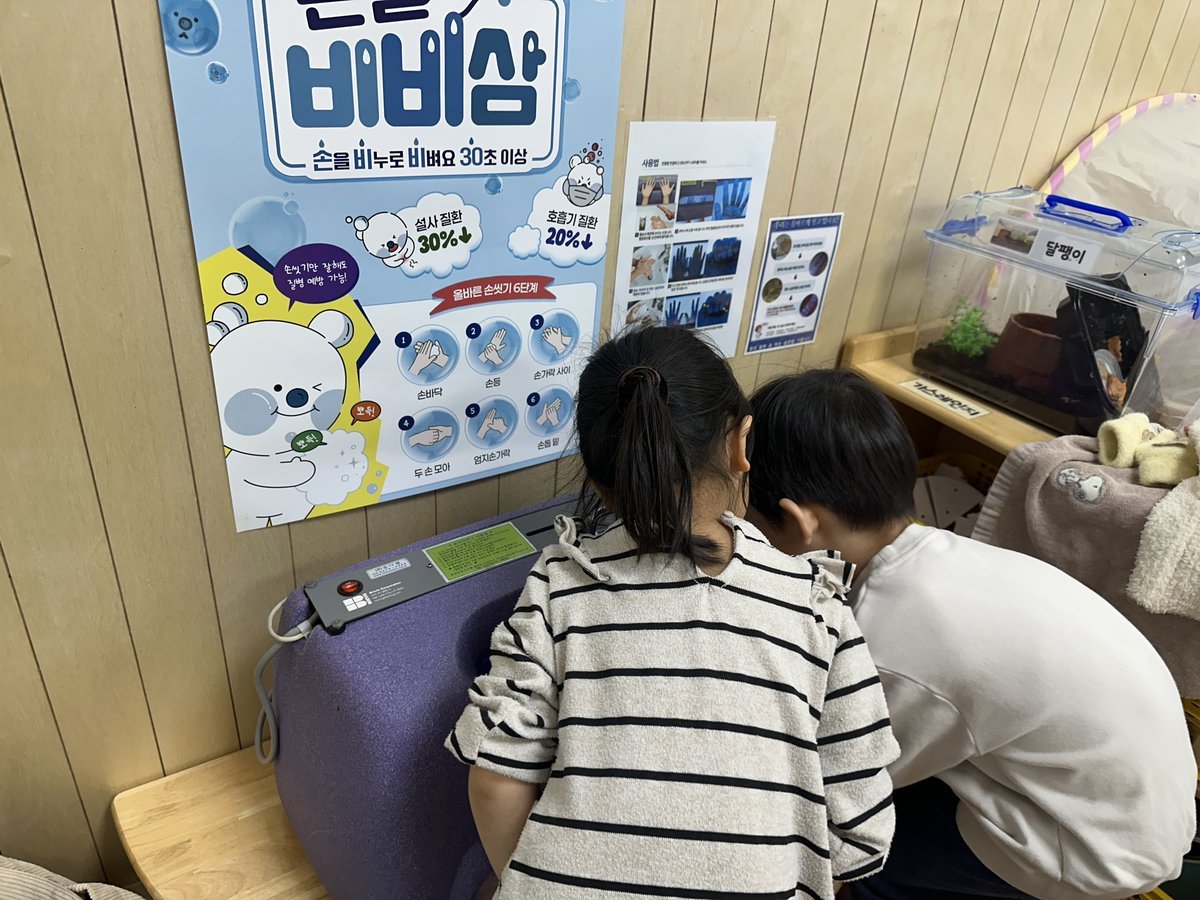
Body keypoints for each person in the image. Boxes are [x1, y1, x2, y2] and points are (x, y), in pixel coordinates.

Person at [446, 328, 900, 899]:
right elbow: (859, 830)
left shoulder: (562, 583)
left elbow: (495, 777)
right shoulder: (818, 605)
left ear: (599, 485)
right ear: (741, 444)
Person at [747, 369, 1197, 900]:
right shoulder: (942, 558)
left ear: (799, 525)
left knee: (860, 854)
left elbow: (837, 794)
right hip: (1134, 793)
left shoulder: (889, 649)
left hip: (1091, 849)